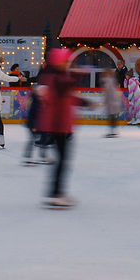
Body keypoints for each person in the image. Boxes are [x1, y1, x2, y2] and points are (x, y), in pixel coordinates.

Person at [38, 48, 90, 208]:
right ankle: (55, 193)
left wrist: (85, 103)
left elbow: (68, 96)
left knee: (63, 160)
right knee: (62, 160)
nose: (68, 64)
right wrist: (79, 73)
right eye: (66, 61)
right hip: (57, 125)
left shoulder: (58, 78)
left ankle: (56, 192)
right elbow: (65, 87)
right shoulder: (55, 79)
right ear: (59, 62)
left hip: (62, 126)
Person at [103, 68, 123, 137]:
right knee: (113, 117)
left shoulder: (109, 81)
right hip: (113, 102)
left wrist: (106, 102)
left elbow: (108, 93)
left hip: (111, 102)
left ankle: (112, 131)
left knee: (112, 117)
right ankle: (113, 131)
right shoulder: (112, 81)